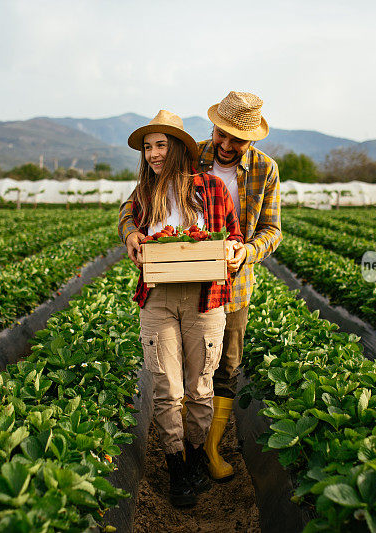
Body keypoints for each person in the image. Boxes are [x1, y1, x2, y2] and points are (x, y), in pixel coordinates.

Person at [119, 91, 282, 481]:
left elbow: (270, 229)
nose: (225, 145)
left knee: (220, 370)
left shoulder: (264, 170)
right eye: (220, 135)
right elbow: (137, 202)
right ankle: (185, 460)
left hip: (230, 284)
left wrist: (244, 252)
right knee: (175, 382)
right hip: (169, 286)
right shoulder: (193, 155)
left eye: (235, 140)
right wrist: (129, 233)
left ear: (251, 139)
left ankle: (207, 451)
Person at [125, 110, 244, 507]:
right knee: (166, 387)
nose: (153, 153)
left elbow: (235, 237)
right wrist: (130, 234)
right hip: (158, 298)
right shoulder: (144, 193)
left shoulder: (209, 188)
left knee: (199, 388)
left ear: (177, 148)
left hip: (204, 297)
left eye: (160, 145)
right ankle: (177, 469)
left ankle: (194, 461)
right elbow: (126, 219)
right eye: (148, 146)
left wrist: (230, 250)